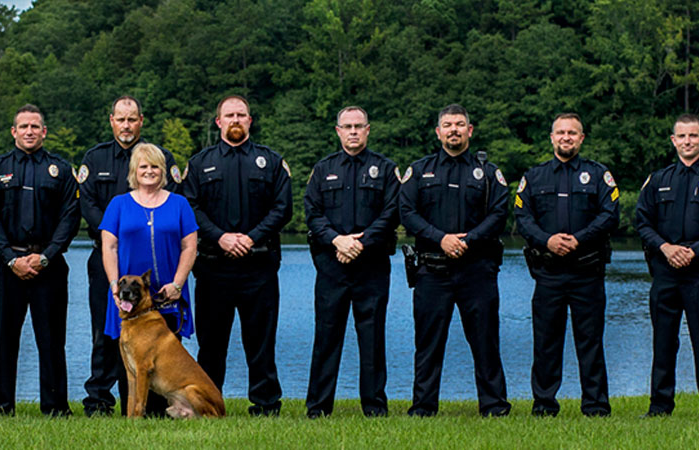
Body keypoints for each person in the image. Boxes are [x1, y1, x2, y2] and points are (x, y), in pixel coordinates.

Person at [177, 95, 291, 416]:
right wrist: (221, 237)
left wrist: (251, 238)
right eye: (229, 115)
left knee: (261, 344)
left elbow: (283, 209)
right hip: (214, 268)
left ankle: (267, 405)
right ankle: (209, 405)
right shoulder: (199, 164)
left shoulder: (271, 162)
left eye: (242, 114)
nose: (236, 120)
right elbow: (191, 208)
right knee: (212, 346)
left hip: (260, 268)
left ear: (250, 121)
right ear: (219, 122)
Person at [400, 104, 511, 417]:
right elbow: (407, 213)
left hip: (477, 270)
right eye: (447, 125)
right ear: (438, 132)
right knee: (428, 344)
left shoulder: (489, 173)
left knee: (485, 342)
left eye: (459, 124)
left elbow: (499, 214)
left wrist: (468, 240)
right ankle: (423, 408)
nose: (453, 130)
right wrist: (441, 238)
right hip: (432, 270)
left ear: (470, 130)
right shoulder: (420, 170)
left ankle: (494, 407)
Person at [77, 95, 179, 416]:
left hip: (151, 262)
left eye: (132, 119)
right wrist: (115, 233)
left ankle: (150, 405)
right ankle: (99, 402)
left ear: (141, 121)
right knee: (105, 330)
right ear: (111, 121)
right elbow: (87, 204)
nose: (126, 125)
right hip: (107, 259)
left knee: (155, 332)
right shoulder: (95, 159)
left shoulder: (159, 156)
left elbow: (173, 198)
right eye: (120, 119)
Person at [0, 104, 81, 416]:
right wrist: (10, 258)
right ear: (13, 131)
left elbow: (70, 218)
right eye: (23, 126)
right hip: (7, 266)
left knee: (51, 342)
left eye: (35, 126)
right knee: (3, 340)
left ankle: (55, 408)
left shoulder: (61, 170)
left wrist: (46, 256)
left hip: (48, 266)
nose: (29, 132)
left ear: (44, 132)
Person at [512, 113, 618, 417]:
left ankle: (596, 406)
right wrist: (547, 241)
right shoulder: (534, 177)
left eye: (572, 133)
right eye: (561, 132)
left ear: (582, 138)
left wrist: (579, 239)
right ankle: (544, 405)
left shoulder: (599, 175)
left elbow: (610, 215)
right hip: (548, 273)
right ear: (552, 137)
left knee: (591, 344)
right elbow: (522, 217)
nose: (566, 137)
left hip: (587, 270)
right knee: (546, 343)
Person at [635, 114, 699, 417]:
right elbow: (642, 222)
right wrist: (665, 248)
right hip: (665, 273)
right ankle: (659, 407)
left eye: (694, 136)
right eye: (682, 136)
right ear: (673, 140)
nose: (688, 141)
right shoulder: (658, 180)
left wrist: (693, 252)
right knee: (663, 342)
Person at [301, 106, 399, 418]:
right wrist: (337, 240)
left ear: (368, 130)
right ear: (338, 131)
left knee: (372, 339)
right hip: (331, 265)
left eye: (359, 126)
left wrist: (361, 241)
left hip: (371, 265)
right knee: (326, 337)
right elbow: (312, 213)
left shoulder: (385, 169)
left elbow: (392, 212)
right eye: (347, 126)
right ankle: (318, 408)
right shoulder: (322, 169)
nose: (353, 131)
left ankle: (374, 407)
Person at [97, 142, 197, 374]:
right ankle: (132, 409)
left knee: (168, 361)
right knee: (131, 361)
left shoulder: (179, 204)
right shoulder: (118, 204)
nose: (149, 171)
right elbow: (109, 248)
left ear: (163, 170)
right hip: (129, 296)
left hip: (168, 294)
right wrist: (114, 285)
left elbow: (189, 247)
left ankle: (167, 409)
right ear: (134, 171)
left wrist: (178, 284)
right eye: (143, 166)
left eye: (155, 166)